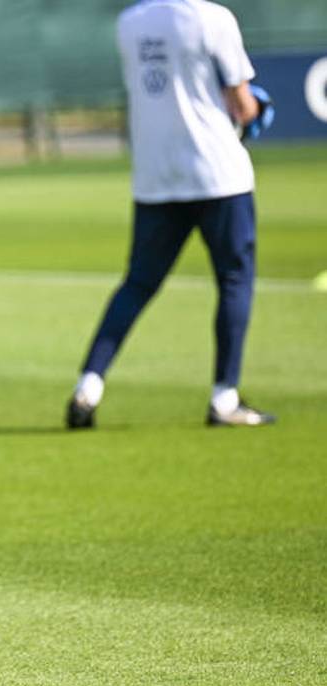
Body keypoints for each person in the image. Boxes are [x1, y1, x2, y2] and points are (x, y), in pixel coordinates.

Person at [67, 0, 276, 429]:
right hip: (219, 175)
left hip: (156, 176)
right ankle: (225, 398)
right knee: (234, 279)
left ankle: (88, 387)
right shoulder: (213, 17)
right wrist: (257, 108)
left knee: (138, 284)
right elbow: (243, 104)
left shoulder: (129, 22)